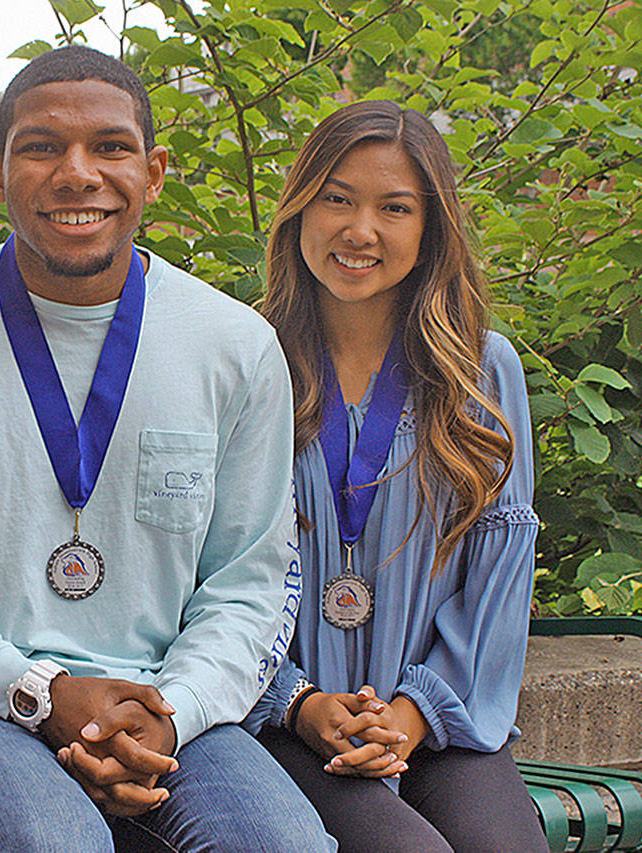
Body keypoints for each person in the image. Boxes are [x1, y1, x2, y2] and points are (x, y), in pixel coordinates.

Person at [0, 45, 333, 852]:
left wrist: (169, 714)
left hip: (168, 708)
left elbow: (249, 583)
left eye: (110, 147)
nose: (77, 174)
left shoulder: (235, 345)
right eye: (41, 146)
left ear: (152, 172)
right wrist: (40, 690)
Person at [244, 100, 547, 851]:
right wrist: (299, 699)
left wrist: (414, 711)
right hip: (280, 718)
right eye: (337, 198)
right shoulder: (246, 361)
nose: (360, 229)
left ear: (430, 228)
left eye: (395, 207)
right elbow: (200, 569)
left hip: (435, 717)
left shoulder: (480, 372)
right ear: (300, 209)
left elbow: (498, 575)